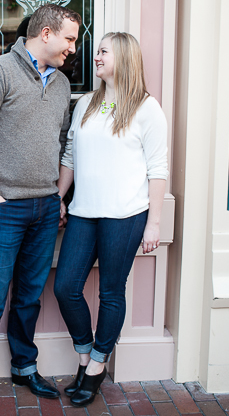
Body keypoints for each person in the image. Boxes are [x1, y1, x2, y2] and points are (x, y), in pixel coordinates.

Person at [0, 4, 81, 409]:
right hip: (3, 208)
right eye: (69, 39)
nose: (73, 49)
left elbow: (63, 142)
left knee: (30, 296)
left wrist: (57, 198)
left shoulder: (62, 84)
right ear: (45, 34)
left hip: (46, 209)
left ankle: (24, 367)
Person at [53, 32, 168, 407]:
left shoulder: (147, 109)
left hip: (126, 216)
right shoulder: (86, 102)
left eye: (103, 51)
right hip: (84, 212)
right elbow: (70, 154)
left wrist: (154, 222)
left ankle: (98, 366)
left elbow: (158, 169)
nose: (96, 57)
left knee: (110, 292)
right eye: (97, 50)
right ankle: (85, 358)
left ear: (123, 57)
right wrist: (59, 197)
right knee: (66, 287)